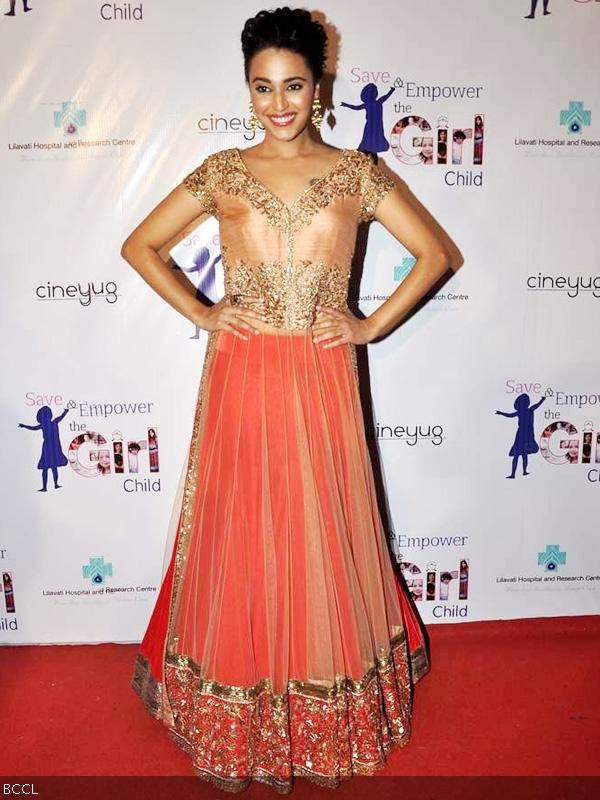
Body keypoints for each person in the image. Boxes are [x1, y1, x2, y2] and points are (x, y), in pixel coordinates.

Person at [121, 6, 450, 793]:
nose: (277, 103)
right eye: (262, 87)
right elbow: (141, 245)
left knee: (318, 523)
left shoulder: (357, 174)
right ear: (247, 88)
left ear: (319, 86)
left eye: (293, 85)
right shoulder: (224, 170)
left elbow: (434, 254)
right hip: (241, 371)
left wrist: (367, 325)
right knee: (242, 526)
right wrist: (203, 311)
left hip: (322, 369)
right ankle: (240, 705)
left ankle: (325, 703)